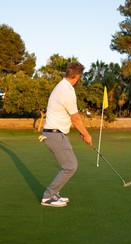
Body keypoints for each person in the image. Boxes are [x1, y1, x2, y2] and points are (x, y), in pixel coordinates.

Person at [40, 62, 92, 207]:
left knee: (68, 165)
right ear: (78, 76)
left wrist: (82, 132)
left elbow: (69, 117)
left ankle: (54, 193)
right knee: (70, 166)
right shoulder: (67, 91)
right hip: (54, 135)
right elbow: (75, 118)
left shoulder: (62, 86)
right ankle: (48, 197)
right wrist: (86, 135)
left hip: (57, 133)